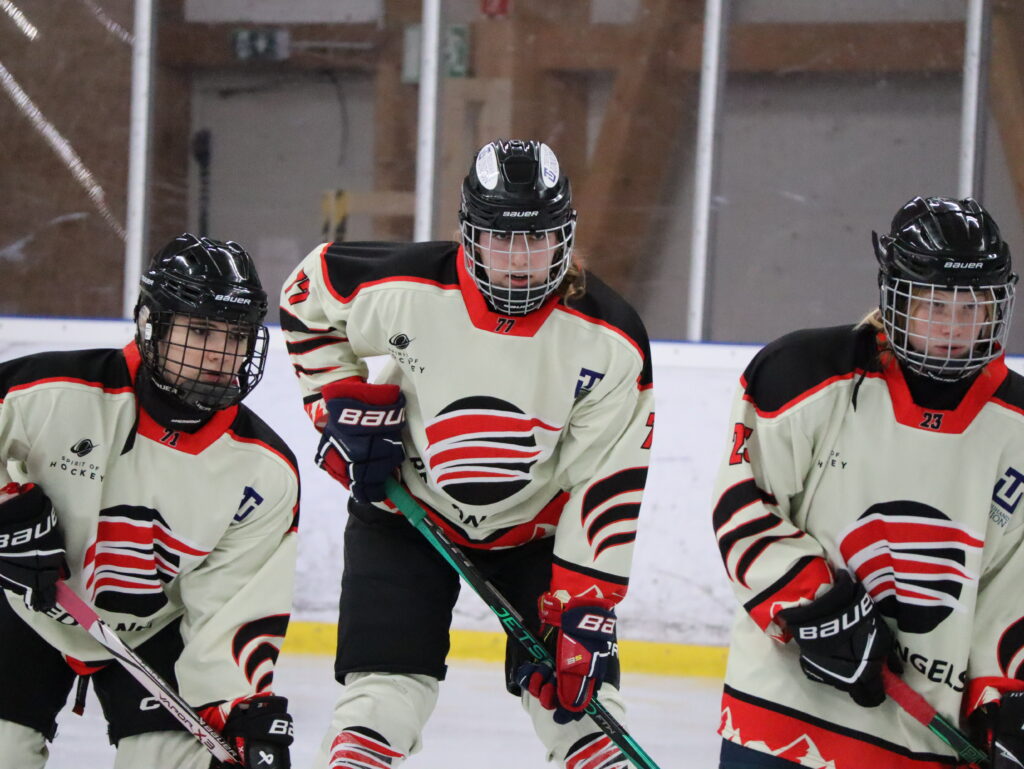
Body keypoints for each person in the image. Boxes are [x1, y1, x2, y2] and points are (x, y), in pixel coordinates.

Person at [280, 139, 655, 769]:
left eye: (538, 238)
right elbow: (305, 296)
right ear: (469, 235)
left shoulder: (609, 339)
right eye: (501, 238)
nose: (520, 260)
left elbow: (605, 480)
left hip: (538, 538)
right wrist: (338, 403)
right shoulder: (406, 289)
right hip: (405, 513)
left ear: (565, 237)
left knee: (582, 710)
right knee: (381, 698)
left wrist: (583, 607)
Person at [710, 196, 1024, 768]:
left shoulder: (1018, 427)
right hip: (781, 714)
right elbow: (743, 503)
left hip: (919, 740)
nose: (954, 327)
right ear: (897, 299)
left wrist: (1007, 704)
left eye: (972, 307)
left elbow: (1013, 587)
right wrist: (814, 607)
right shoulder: (803, 375)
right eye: (934, 304)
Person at [0, 233, 300, 769]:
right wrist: (5, 513)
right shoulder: (51, 393)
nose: (221, 353)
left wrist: (240, 707)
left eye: (237, 335)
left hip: (156, 630)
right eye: (201, 330)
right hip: (22, 607)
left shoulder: (264, 471)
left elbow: (232, 605)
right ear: (151, 324)